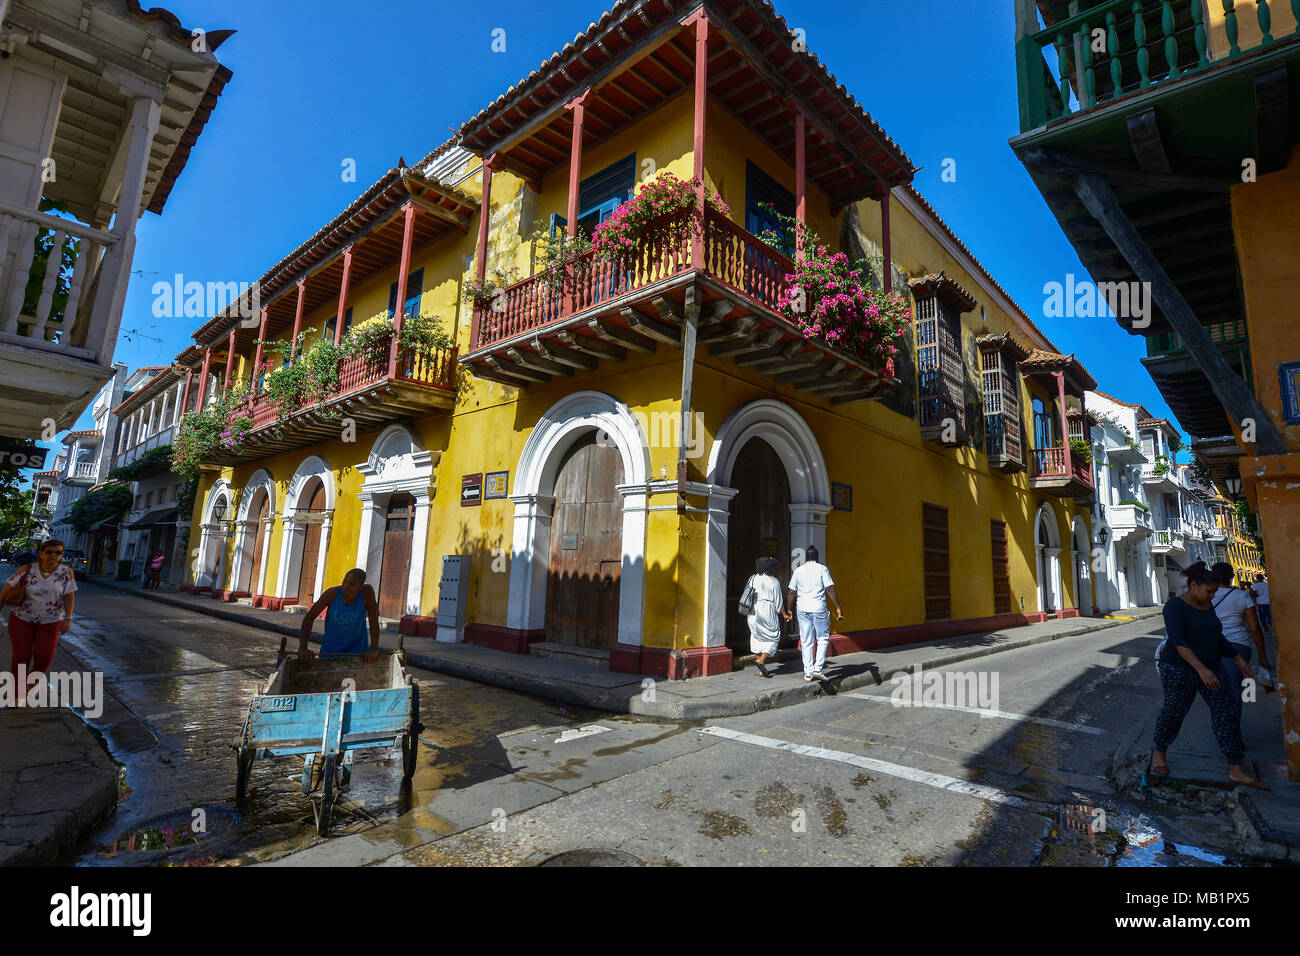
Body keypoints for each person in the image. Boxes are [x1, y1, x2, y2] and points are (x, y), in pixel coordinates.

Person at [1152, 561, 1267, 789]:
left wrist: (1238, 659)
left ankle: (1236, 769)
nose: (1213, 596)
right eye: (1209, 591)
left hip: (1213, 668)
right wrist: (1201, 670)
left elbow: (1217, 637)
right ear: (1194, 585)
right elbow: (1179, 642)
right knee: (1174, 713)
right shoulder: (1175, 606)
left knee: (1226, 714)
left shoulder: (1207, 606)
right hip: (1179, 669)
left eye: (1215, 592)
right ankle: (1159, 754)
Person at [1, 539, 77, 698]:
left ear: (62, 555)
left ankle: (31, 682)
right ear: (41, 554)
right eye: (49, 552)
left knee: (44, 657)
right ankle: (18, 693)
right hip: (21, 619)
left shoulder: (66, 573)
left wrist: (68, 618)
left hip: (50, 621)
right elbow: (5, 591)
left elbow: (69, 596)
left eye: (58, 552)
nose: (54, 555)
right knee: (21, 656)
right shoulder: (27, 569)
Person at [1209, 562, 1270, 724]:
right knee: (1235, 687)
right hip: (1239, 646)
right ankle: (1232, 727)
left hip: (1212, 647)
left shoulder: (1207, 595)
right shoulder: (1242, 596)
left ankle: (1223, 727)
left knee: (1216, 688)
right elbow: (1255, 629)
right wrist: (1262, 656)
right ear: (1232, 577)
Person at [783, 545, 842, 683]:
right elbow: (830, 589)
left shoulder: (798, 571)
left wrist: (789, 608)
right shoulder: (822, 569)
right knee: (822, 638)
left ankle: (808, 673)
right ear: (817, 557)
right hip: (818, 608)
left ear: (806, 558)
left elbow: (791, 592)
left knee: (806, 640)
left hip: (802, 609)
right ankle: (818, 669)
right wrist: (838, 606)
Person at [297, 568, 381, 664]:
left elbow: (373, 620)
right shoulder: (331, 594)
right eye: (345, 581)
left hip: (358, 654)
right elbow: (309, 618)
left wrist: (374, 648)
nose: (346, 586)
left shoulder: (367, 593)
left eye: (352, 584)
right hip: (330, 653)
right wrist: (303, 648)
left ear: (361, 587)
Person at [745, 556, 784, 678]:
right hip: (767, 611)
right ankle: (760, 661)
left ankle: (762, 670)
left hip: (753, 611)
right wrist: (784, 613)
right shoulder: (774, 582)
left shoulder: (752, 578)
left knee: (757, 636)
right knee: (773, 637)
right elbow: (778, 602)